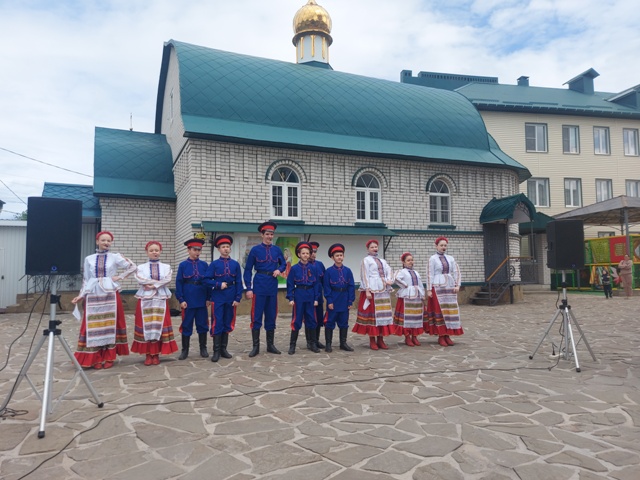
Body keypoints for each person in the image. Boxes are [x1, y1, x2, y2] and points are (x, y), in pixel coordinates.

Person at [72, 231, 136, 369]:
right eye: (103, 240)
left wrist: (119, 277)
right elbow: (86, 279)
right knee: (94, 324)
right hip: (93, 293)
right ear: (97, 241)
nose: (106, 242)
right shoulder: (89, 259)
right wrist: (81, 295)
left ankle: (109, 356)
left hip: (110, 293)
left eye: (109, 240)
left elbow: (132, 267)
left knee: (109, 323)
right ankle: (95, 357)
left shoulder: (115, 257)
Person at [130, 241, 178, 365]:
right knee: (147, 324)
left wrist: (153, 285)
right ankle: (148, 354)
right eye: (151, 250)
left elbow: (167, 278)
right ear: (147, 252)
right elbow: (140, 279)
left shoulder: (166, 267)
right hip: (145, 298)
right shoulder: (141, 267)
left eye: (156, 250)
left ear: (160, 251)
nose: (154, 252)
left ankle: (156, 354)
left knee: (159, 324)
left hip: (160, 297)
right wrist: (156, 283)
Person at [243, 221, 286, 357]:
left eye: (271, 234)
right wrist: (248, 288)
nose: (269, 237)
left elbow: (284, 264)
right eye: (267, 234)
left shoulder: (277, 250)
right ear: (262, 235)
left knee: (271, 314)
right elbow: (248, 270)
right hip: (259, 284)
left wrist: (279, 270)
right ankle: (255, 347)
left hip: (272, 285)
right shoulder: (255, 250)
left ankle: (270, 345)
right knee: (256, 315)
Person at [205, 235, 243, 362]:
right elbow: (206, 280)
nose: (226, 249)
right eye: (223, 247)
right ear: (219, 249)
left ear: (230, 249)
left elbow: (239, 281)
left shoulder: (235, 264)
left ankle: (223, 349)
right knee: (217, 322)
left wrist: (238, 297)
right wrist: (217, 284)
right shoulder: (214, 264)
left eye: (227, 247)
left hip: (231, 296)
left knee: (227, 321)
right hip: (218, 297)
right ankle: (216, 351)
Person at [352, 239, 394, 350]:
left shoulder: (382, 261)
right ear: (368, 249)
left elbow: (389, 270)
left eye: (376, 247)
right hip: (372, 289)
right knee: (373, 315)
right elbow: (364, 275)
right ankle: (372, 340)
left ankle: (380, 339)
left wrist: (389, 280)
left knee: (382, 314)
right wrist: (367, 289)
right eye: (372, 247)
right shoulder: (366, 260)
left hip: (383, 290)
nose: (374, 249)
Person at [424, 236, 464, 347]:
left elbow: (457, 271)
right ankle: (441, 335)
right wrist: (429, 289)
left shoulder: (450, 258)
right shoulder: (432, 259)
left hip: (449, 286)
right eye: (441, 245)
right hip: (438, 287)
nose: (443, 247)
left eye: (445, 245)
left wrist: (457, 285)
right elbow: (429, 274)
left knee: (449, 310)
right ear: (436, 246)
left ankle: (448, 334)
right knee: (440, 310)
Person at [175, 238, 210, 360]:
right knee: (186, 324)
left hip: (201, 298)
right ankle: (185, 350)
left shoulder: (204, 265)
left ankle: (203, 348)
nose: (197, 252)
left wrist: (208, 297)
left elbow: (208, 282)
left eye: (199, 250)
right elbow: (179, 282)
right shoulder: (183, 265)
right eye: (194, 250)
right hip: (188, 299)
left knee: (202, 324)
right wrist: (181, 299)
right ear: (188, 250)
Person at [286, 242, 321, 354]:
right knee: (296, 319)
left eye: (307, 253)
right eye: (303, 253)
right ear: (299, 254)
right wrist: (291, 298)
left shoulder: (313, 268)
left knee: (311, 319)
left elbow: (316, 284)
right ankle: (292, 345)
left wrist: (316, 298)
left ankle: (312, 344)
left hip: (310, 294)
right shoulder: (294, 268)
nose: (305, 255)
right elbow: (290, 284)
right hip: (299, 294)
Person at [323, 243, 355, 352]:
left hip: (344, 299)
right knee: (330, 322)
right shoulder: (328, 271)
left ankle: (343, 343)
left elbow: (351, 286)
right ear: (332, 258)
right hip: (334, 299)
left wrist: (350, 300)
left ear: (343, 256)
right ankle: (328, 344)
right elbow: (327, 287)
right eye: (337, 256)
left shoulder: (348, 271)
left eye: (341, 255)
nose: (339, 257)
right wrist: (329, 300)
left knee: (344, 322)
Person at [393, 252, 425, 347]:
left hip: (417, 296)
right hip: (407, 295)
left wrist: (423, 294)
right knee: (407, 316)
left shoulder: (416, 272)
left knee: (416, 316)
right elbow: (396, 278)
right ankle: (407, 336)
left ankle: (414, 336)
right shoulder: (402, 272)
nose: (411, 262)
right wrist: (405, 285)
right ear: (403, 262)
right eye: (408, 260)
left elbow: (420, 284)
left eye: (412, 260)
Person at [309, 241, 326, 350]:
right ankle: (310, 342)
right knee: (310, 319)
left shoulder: (320, 264)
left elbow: (324, 281)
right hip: (308, 296)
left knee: (319, 319)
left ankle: (316, 340)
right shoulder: (305, 265)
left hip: (319, 296)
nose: (313, 254)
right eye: (311, 252)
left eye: (315, 252)